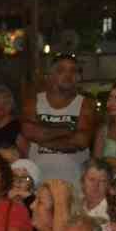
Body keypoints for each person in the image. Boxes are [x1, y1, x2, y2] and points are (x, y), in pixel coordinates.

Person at [22, 54, 97, 187]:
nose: (67, 75)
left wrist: (42, 137)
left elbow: (81, 141)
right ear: (51, 75)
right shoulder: (33, 101)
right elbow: (29, 132)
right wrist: (68, 130)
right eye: (61, 70)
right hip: (38, 182)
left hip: (74, 182)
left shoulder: (86, 104)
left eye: (73, 71)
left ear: (78, 77)